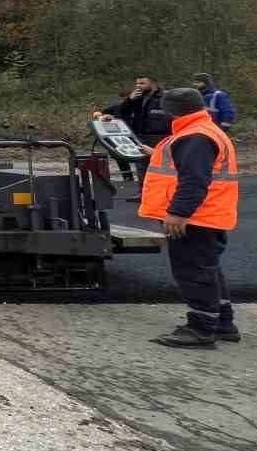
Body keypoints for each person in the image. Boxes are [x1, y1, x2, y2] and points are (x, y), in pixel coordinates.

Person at [138, 87, 240, 347]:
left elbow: (194, 180)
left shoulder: (194, 136)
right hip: (207, 215)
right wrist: (156, 153)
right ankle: (222, 322)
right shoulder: (201, 131)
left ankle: (201, 328)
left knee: (193, 272)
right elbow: (190, 166)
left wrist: (177, 213)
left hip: (194, 217)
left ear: (172, 111)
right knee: (208, 269)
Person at [99, 75, 167, 196]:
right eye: (137, 84)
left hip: (159, 136)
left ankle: (160, 192)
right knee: (141, 166)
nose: (138, 86)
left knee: (160, 165)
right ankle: (143, 193)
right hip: (140, 135)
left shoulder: (164, 97)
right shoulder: (136, 98)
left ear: (152, 84)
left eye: (142, 83)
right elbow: (120, 112)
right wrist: (129, 100)